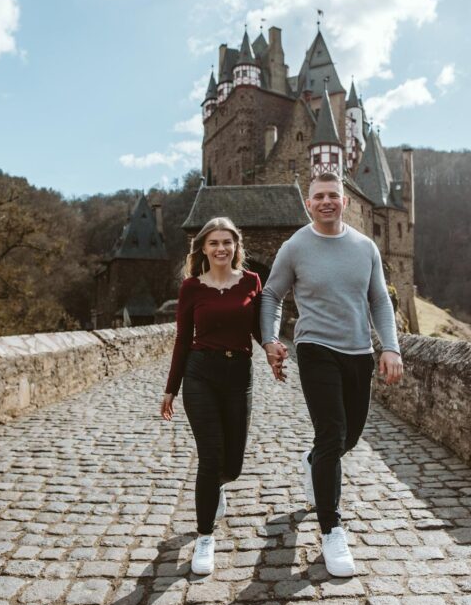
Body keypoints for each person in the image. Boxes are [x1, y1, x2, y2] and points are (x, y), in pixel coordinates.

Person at [260, 171, 404, 578]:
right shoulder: (295, 247)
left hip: (358, 351)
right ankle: (331, 530)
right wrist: (270, 338)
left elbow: (379, 299)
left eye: (333, 196)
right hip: (315, 348)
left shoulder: (366, 247)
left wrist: (389, 346)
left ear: (345, 202)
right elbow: (271, 294)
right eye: (319, 196)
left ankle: (315, 463)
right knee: (331, 431)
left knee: (349, 436)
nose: (326, 202)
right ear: (309, 204)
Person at [161, 217, 262, 576]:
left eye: (227, 242)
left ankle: (218, 489)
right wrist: (171, 388)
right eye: (214, 243)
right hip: (200, 374)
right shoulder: (192, 288)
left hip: (239, 376)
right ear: (202, 248)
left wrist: (275, 348)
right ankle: (205, 536)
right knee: (210, 455)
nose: (221, 248)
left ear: (236, 246)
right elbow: (181, 340)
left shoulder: (251, 282)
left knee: (232, 465)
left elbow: (259, 330)